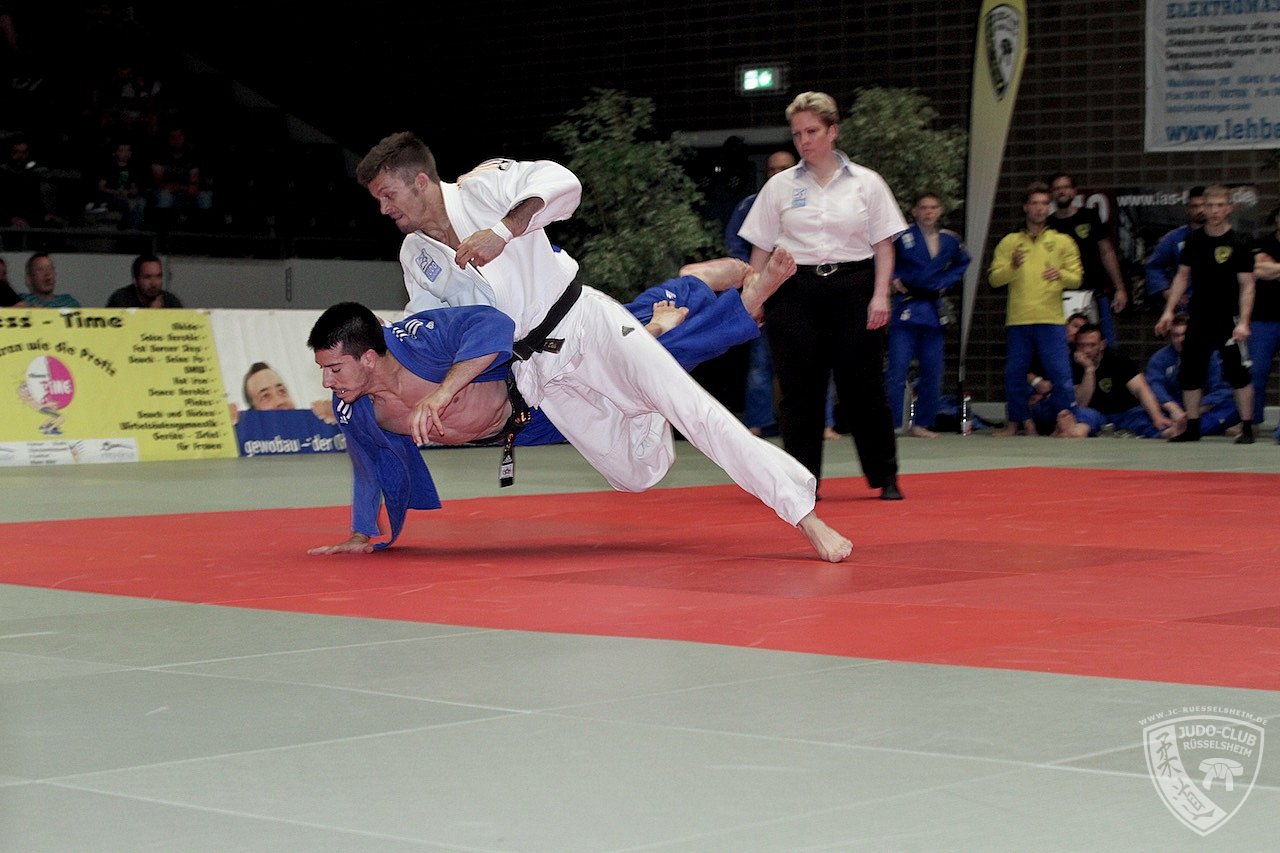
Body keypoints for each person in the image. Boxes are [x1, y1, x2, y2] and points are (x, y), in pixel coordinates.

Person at [355, 131, 852, 562]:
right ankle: (652, 367)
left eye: (388, 194)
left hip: (584, 322)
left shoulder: (481, 187)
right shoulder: (415, 254)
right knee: (637, 472)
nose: (384, 209)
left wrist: (503, 231)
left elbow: (562, 183)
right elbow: (430, 325)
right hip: (537, 371)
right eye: (378, 199)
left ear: (421, 181)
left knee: (693, 410)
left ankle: (804, 515)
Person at [307, 255, 790, 554]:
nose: (328, 381)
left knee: (641, 369)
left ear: (368, 358)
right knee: (637, 364)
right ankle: (682, 299)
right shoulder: (355, 407)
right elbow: (368, 466)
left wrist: (444, 390)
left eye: (335, 369)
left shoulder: (420, 340)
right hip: (525, 429)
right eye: (324, 371)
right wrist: (361, 532)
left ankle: (718, 296)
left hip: (534, 381)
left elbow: (492, 325)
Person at [737, 91, 908, 501]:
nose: (804, 141)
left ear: (833, 131)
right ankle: (802, 483)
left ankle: (885, 475)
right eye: (797, 134)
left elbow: (884, 246)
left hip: (855, 287)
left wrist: (880, 295)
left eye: (812, 131)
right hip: (795, 291)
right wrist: (754, 297)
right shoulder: (779, 186)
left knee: (863, 387)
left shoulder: (867, 182)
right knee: (799, 391)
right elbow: (760, 248)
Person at [1155, 184, 1256, 443]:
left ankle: (1246, 427)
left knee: (1238, 372)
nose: (1214, 211)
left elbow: (1247, 285)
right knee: (1191, 372)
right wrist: (1168, 311)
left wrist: (1244, 322)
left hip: (1229, 317)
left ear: (1229, 208)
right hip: (1199, 316)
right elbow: (1182, 276)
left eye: (1220, 205)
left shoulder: (1240, 241)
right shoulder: (1194, 241)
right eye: (1210, 206)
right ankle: (1192, 427)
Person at [988, 182, 1085, 437]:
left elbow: (1077, 278)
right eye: (1035, 203)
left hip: (1050, 318)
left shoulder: (1062, 241)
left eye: (1044, 203)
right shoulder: (1010, 242)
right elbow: (994, 279)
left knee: (1060, 373)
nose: (1040, 208)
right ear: (1025, 207)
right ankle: (1015, 423)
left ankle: (1065, 423)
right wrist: (1012, 267)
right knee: (1014, 373)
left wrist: (1060, 275)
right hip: (1019, 319)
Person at [884, 191, 970, 438]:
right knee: (897, 369)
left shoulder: (950, 240)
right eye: (923, 207)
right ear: (914, 211)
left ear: (940, 211)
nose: (928, 212)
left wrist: (946, 281)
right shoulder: (902, 236)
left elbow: (962, 262)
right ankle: (890, 424)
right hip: (907, 307)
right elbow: (883, 257)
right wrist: (893, 278)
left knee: (933, 369)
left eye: (933, 207)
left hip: (932, 309)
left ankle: (922, 423)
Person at [725, 149, 796, 438]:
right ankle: (757, 422)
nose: (777, 174)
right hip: (763, 289)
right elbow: (735, 244)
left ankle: (823, 423)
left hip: (800, 289)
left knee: (811, 359)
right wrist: (755, 277)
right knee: (760, 360)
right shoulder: (750, 205)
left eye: (784, 168)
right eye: (772, 169)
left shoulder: (808, 202)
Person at [1048, 173, 1128, 345]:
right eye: (1057, 188)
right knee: (1064, 345)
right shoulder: (1048, 226)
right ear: (1051, 193)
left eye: (1066, 187)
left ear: (1074, 191)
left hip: (1094, 292)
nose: (1062, 192)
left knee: (1104, 344)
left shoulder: (1090, 216)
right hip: (1060, 297)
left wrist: (1119, 288)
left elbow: (1107, 252)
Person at [1070, 322, 1177, 438]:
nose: (1086, 350)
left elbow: (1141, 389)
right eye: (1081, 345)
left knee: (1144, 418)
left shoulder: (1118, 359)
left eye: (1092, 345)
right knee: (1080, 416)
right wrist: (1089, 370)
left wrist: (1157, 417)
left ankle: (1166, 433)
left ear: (1102, 345)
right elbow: (1081, 403)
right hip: (1094, 413)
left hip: (1125, 412)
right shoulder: (1072, 363)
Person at [1146, 312, 1240, 438]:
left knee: (1235, 407)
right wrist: (1171, 407)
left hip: (1203, 408)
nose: (1181, 339)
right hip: (1171, 409)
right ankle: (1179, 429)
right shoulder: (1159, 358)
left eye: (1185, 334)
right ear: (1170, 337)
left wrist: (1195, 411)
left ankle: (1180, 429)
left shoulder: (1211, 355)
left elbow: (1221, 389)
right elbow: (1155, 386)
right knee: (1140, 412)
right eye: (1176, 335)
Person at [1144, 186, 1206, 311]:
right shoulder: (1174, 238)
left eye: (1204, 205)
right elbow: (1153, 266)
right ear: (1187, 209)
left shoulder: (1225, 238)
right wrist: (1165, 291)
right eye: (1195, 206)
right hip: (1186, 308)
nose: (1200, 210)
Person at [1248, 205, 1280, 430]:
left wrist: (1272, 269)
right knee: (1256, 371)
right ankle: (1252, 422)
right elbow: (1255, 270)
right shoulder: (1260, 243)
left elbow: (1265, 269)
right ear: (1276, 218)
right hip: (1262, 319)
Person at [148, 124, 213, 229]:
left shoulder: (191, 155)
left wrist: (191, 187)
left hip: (185, 192)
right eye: (173, 137)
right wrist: (183, 188)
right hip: (166, 192)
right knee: (165, 196)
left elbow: (194, 181)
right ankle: (164, 230)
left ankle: (201, 230)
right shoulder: (160, 155)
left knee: (205, 196)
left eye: (179, 136)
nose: (176, 140)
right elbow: (159, 183)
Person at [92, 140, 147, 230]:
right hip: (110, 197)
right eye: (122, 150)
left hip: (126, 196)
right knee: (131, 203)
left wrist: (133, 191)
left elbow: (133, 186)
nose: (126, 153)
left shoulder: (133, 168)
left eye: (128, 150)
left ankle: (135, 230)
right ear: (115, 153)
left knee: (141, 202)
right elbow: (101, 187)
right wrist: (117, 192)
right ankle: (129, 230)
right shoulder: (108, 167)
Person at [106, 253, 183, 308]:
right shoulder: (121, 300)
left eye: (158, 276)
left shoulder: (171, 302)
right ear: (135, 281)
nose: (154, 283)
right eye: (147, 277)